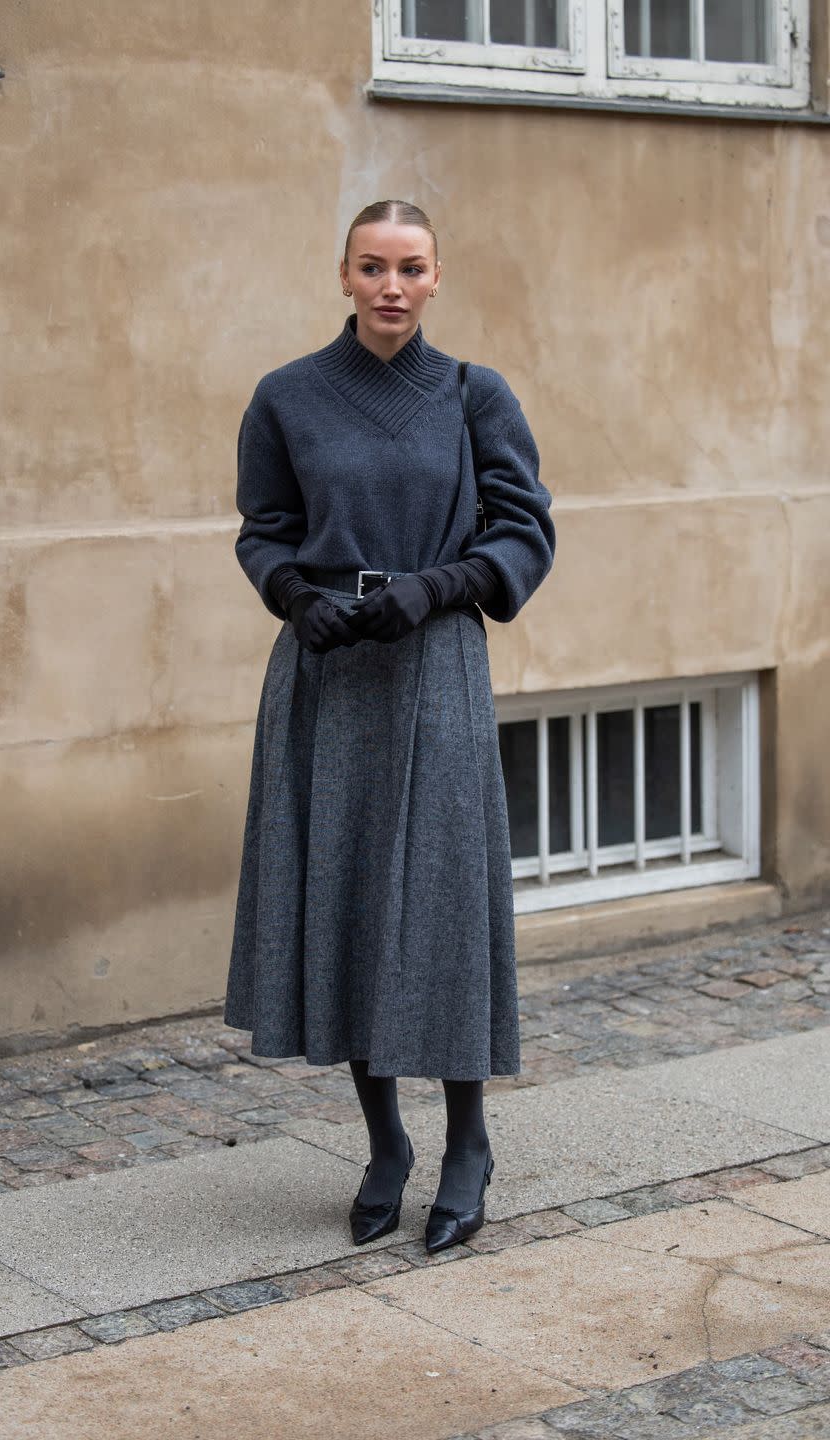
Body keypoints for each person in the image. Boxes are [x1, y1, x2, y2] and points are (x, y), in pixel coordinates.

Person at [224, 199, 555, 1254]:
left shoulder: (473, 397)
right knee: (351, 903)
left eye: (410, 268)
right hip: (327, 673)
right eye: (373, 267)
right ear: (344, 274)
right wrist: (292, 594)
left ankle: (467, 1144)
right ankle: (385, 1145)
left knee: (444, 908)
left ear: (437, 276)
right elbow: (262, 531)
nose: (391, 287)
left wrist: (443, 586)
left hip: (438, 661)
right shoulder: (287, 398)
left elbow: (526, 532)